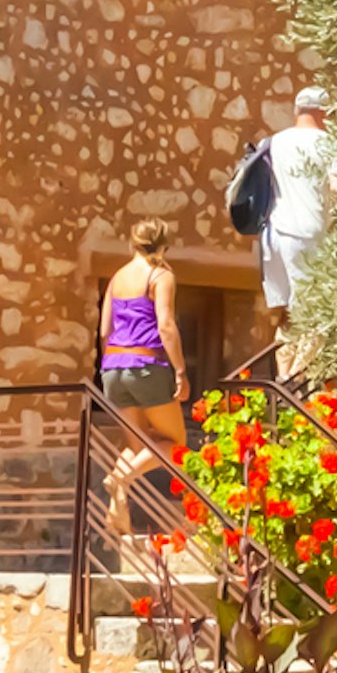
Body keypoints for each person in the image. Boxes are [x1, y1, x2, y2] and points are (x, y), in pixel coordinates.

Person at [96, 219, 188, 540]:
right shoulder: (160, 275)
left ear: (132, 243)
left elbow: (105, 331)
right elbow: (165, 325)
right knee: (176, 445)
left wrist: (112, 363)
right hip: (147, 364)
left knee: (139, 446)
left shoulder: (117, 278)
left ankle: (117, 501)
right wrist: (179, 370)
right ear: (164, 245)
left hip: (112, 368)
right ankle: (121, 480)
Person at [255, 88, 337, 371]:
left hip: (273, 238)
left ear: (297, 110)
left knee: (290, 314)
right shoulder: (330, 144)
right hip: (308, 235)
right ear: (324, 113)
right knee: (317, 315)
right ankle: (296, 384)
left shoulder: (274, 142)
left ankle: (282, 380)